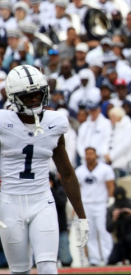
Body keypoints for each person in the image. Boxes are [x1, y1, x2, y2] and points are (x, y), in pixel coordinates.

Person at [0, 65, 89, 274]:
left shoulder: (54, 123)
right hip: (9, 203)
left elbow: (66, 173)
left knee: (48, 267)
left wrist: (82, 216)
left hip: (42, 201)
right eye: (27, 96)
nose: (34, 100)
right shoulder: (3, 123)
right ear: (13, 97)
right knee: (19, 270)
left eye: (37, 94)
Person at [75, 147, 115, 266]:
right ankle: (94, 258)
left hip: (101, 203)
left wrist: (111, 198)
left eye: (91, 154)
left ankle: (108, 256)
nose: (89, 156)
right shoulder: (80, 171)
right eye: (87, 154)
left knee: (103, 230)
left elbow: (110, 185)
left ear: (96, 155)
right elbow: (77, 187)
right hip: (86, 203)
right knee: (90, 232)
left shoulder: (105, 169)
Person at [49, 173, 72, 267]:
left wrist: (51, 190)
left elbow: (61, 203)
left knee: (66, 259)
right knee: (47, 260)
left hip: (60, 227)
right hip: (46, 229)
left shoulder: (59, 190)